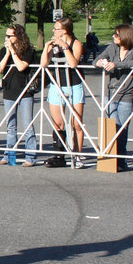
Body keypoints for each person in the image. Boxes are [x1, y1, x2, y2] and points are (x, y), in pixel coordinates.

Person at [94, 24, 133, 171]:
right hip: (111, 92)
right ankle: (110, 158)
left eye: (116, 35)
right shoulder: (112, 48)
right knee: (113, 125)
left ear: (124, 36)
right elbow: (97, 59)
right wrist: (101, 62)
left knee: (123, 127)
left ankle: (121, 161)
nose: (113, 37)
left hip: (127, 92)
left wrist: (116, 64)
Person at [40, 17, 86, 168]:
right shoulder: (54, 45)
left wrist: (65, 47)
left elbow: (73, 64)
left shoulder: (75, 44)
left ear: (65, 30)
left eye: (56, 28)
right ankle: (59, 155)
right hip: (57, 85)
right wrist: (47, 49)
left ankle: (77, 155)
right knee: (58, 123)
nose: (53, 31)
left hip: (74, 85)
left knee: (76, 124)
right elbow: (43, 64)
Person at [0, 24, 37, 166]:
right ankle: (9, 156)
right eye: (6, 36)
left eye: (10, 36)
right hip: (9, 91)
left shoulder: (28, 50)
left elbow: (21, 66)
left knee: (28, 125)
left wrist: (13, 52)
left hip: (25, 91)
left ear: (18, 36)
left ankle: (30, 157)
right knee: (10, 126)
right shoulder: (3, 51)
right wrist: (7, 53)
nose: (7, 38)